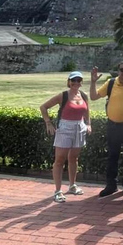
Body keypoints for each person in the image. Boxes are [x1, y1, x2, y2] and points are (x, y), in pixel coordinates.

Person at [40, 71, 91, 203]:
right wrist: (48, 123)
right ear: (69, 82)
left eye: (79, 80)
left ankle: (72, 185)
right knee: (59, 160)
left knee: (74, 158)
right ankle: (57, 191)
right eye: (73, 80)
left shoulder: (84, 95)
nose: (76, 83)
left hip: (79, 127)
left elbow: (87, 111)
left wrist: (88, 124)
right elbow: (43, 107)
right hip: (65, 128)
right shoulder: (63, 96)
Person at [90, 60, 123, 197]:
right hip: (113, 126)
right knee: (112, 157)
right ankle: (111, 185)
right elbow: (93, 97)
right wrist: (93, 82)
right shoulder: (111, 83)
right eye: (122, 70)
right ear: (118, 71)